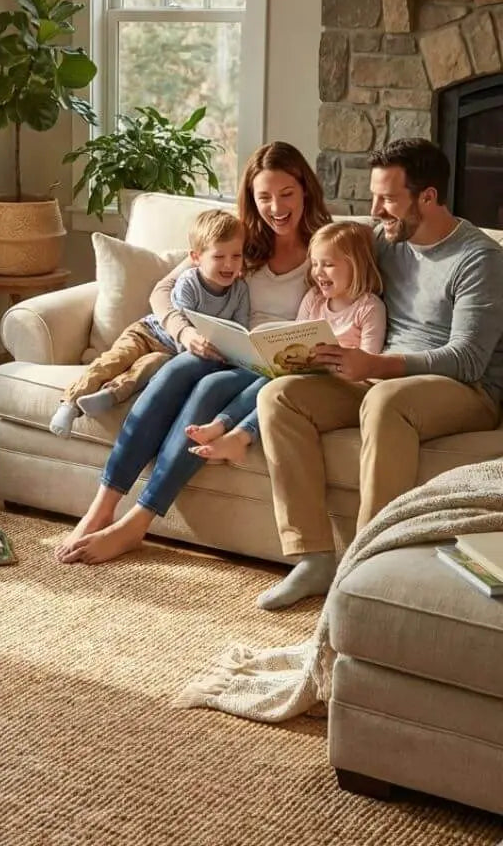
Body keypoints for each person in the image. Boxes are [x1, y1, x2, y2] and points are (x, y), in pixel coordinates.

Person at [255, 138, 503, 609]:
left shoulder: (479, 259)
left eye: (387, 199)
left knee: (385, 401)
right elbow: (328, 253)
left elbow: (468, 357)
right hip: (378, 376)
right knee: (280, 396)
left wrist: (375, 366)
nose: (375, 211)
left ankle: (364, 566)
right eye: (374, 198)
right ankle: (313, 559)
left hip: (463, 389)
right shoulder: (387, 240)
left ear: (427, 197)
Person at [55, 141, 332, 564]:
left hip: (269, 366)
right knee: (175, 371)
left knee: (206, 391)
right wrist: (184, 333)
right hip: (221, 348)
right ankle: (102, 507)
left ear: (305, 190)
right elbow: (162, 291)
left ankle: (137, 522)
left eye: (286, 194)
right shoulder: (239, 241)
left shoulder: (324, 248)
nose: (276, 207)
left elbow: (346, 306)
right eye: (264, 197)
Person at [186, 220, 387, 465]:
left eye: (328, 265)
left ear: (356, 265)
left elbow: (369, 363)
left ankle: (239, 437)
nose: (318, 272)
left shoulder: (369, 307)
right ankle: (221, 424)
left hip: (340, 385)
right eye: (314, 264)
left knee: (279, 390)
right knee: (266, 380)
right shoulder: (314, 299)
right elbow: (294, 335)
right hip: (303, 374)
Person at [50, 210, 249, 438]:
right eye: (219, 256)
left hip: (170, 354)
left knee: (146, 368)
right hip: (148, 333)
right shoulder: (188, 283)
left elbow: (240, 329)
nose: (229, 264)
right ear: (196, 257)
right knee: (115, 360)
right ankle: (69, 403)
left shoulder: (240, 290)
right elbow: (181, 324)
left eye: (237, 256)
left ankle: (108, 396)